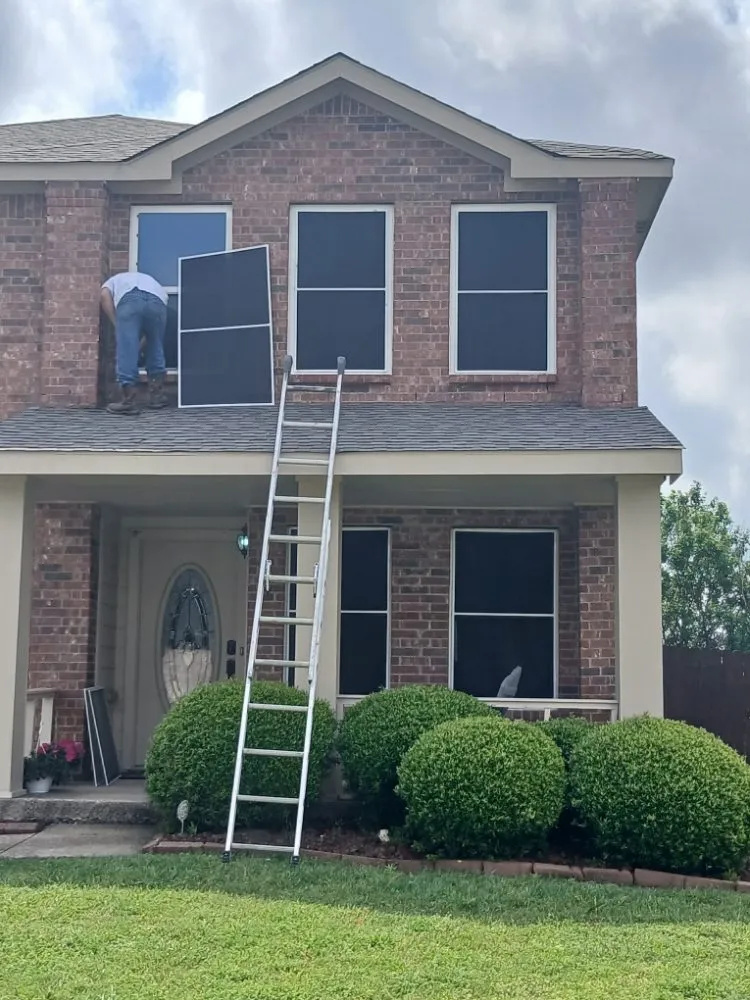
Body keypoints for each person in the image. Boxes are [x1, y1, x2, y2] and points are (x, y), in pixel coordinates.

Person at [100, 271, 169, 415]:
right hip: (158, 301)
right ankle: (157, 396)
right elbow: (148, 338)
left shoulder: (113, 281)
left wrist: (117, 324)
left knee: (126, 348)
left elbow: (104, 296)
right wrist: (138, 345)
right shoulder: (151, 280)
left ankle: (128, 400)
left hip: (130, 298)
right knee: (155, 344)